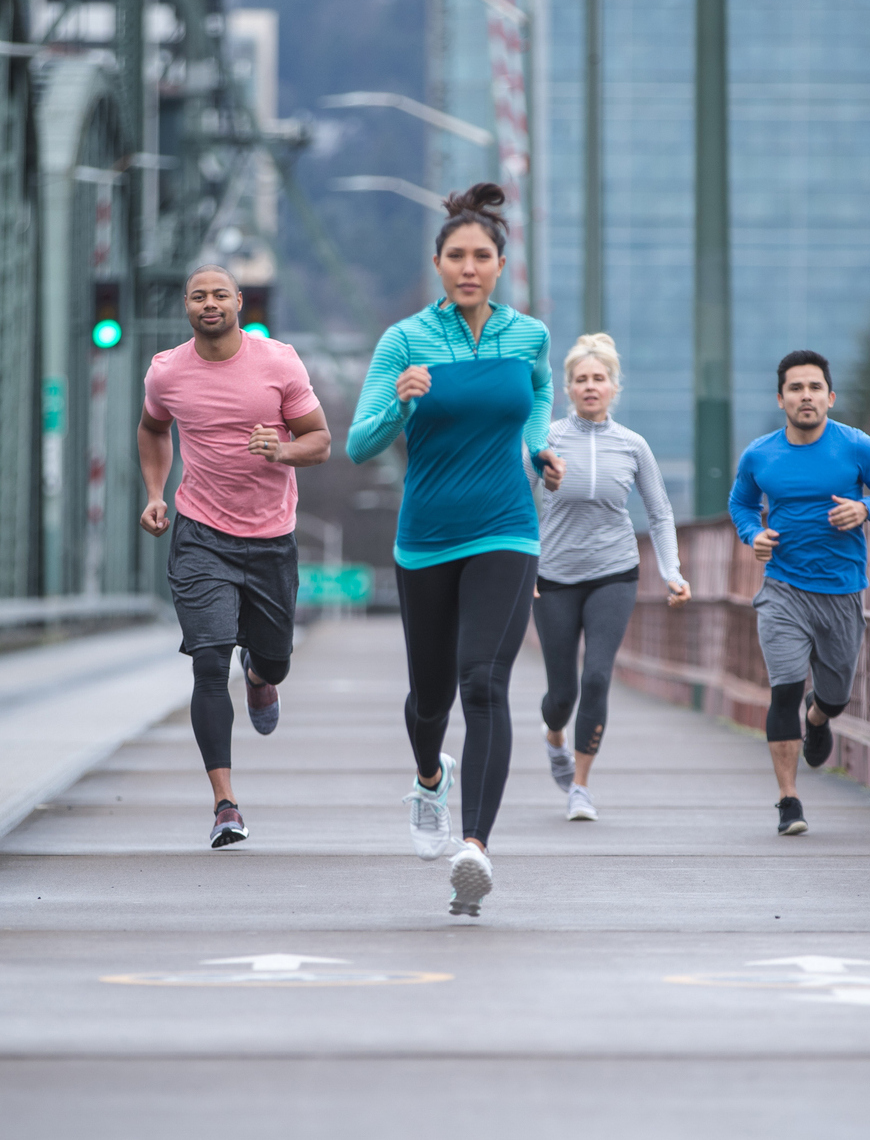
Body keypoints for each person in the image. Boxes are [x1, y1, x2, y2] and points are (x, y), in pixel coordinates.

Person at [347, 182, 564, 917]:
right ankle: (427, 780)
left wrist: (538, 451)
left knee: (483, 682)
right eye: (455, 256)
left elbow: (537, 398)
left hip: (506, 526)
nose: (468, 267)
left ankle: (474, 847)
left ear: (501, 263)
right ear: (437, 263)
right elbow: (357, 444)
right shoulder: (404, 340)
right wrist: (400, 402)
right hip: (426, 537)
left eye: (481, 256)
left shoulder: (528, 335)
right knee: (430, 697)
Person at [139, 264, 330, 849]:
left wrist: (283, 449)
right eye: (198, 296)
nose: (209, 303)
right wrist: (154, 493)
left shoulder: (278, 362)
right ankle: (225, 804)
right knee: (206, 660)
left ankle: (261, 676)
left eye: (220, 294)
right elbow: (153, 430)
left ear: (239, 302)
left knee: (274, 661)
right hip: (200, 534)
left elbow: (320, 442)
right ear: (188, 308)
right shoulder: (167, 372)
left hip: (271, 537)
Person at [727, 349, 870, 836]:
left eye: (813, 388)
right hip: (783, 589)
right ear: (781, 399)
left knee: (835, 693)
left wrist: (864, 509)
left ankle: (821, 717)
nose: (805, 397)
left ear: (830, 397)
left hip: (842, 591)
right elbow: (741, 503)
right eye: (795, 389)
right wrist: (753, 535)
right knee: (783, 688)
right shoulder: (760, 454)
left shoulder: (856, 446)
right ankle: (789, 800)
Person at [530, 333, 690, 823]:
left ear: (615, 387)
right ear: (568, 388)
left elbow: (660, 514)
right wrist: (522, 568)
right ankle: (554, 735)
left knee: (597, 676)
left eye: (599, 379)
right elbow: (517, 504)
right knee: (562, 695)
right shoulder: (546, 439)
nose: (591, 386)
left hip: (614, 573)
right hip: (553, 576)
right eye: (581, 379)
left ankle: (580, 786)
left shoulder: (633, 446)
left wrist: (672, 572)